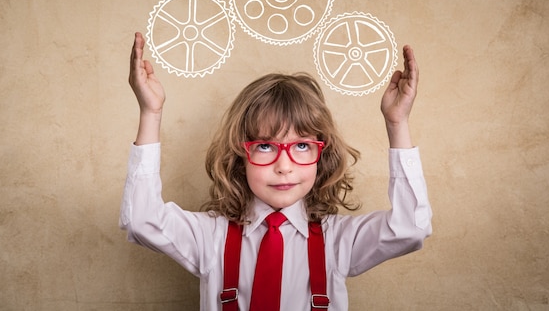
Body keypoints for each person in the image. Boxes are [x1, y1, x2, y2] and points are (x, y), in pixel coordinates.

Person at [120, 32, 432, 311]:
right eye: (266, 147)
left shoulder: (337, 240)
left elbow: (410, 228)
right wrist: (151, 112)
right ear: (240, 155)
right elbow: (141, 219)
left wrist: (397, 124)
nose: (284, 167)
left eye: (301, 147)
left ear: (321, 156)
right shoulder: (210, 236)